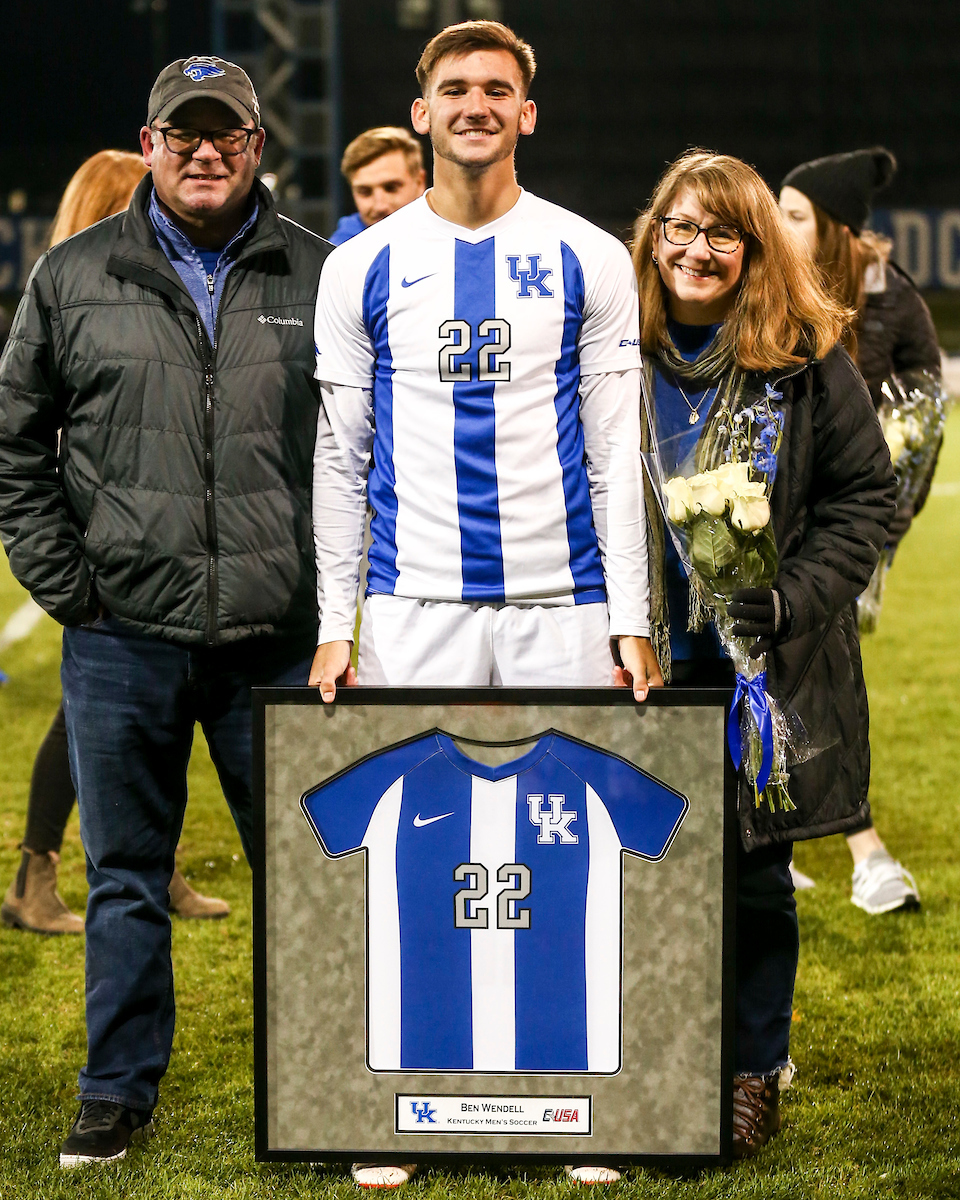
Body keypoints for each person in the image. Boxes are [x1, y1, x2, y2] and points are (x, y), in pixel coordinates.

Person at [311, 19, 660, 1188]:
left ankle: (571, 1100)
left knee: (569, 858)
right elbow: (341, 458)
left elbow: (618, 454)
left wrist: (633, 614)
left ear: (527, 114)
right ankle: (398, 1103)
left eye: (496, 89)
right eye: (453, 88)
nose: (475, 103)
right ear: (421, 114)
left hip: (563, 602)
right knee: (412, 862)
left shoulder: (587, 256)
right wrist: (334, 619)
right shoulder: (361, 263)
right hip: (415, 606)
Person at [0, 55, 331, 1167]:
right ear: (148, 144)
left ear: (256, 148)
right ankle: (115, 1093)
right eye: (181, 133)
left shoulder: (321, 273)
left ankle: (331, 1079)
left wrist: (327, 595)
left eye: (224, 134)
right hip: (122, 635)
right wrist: (70, 585)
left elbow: (363, 457)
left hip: (276, 635)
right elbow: (15, 444)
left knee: (311, 876)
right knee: (126, 879)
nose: (203, 151)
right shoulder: (73, 274)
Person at [631, 150, 895, 1158]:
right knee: (643, 870)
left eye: (722, 233)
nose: (698, 250)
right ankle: (652, 1057)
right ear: (656, 237)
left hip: (760, 670)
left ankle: (750, 1069)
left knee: (751, 878)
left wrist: (791, 602)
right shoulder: (612, 352)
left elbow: (865, 498)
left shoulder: (804, 359)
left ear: (753, 251)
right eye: (681, 229)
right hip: (640, 665)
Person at [0, 150, 229, 936]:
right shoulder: (79, 292)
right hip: (107, 545)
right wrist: (70, 577)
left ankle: (156, 870)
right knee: (87, 717)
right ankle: (36, 880)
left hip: (136, 541)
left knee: (150, 723)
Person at [779, 147, 939, 913]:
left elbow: (921, 424)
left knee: (822, 673)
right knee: (797, 673)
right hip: (770, 527)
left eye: (796, 214)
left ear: (834, 230)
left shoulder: (893, 300)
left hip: (846, 531)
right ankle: (848, 851)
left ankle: (854, 852)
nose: (777, 225)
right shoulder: (767, 289)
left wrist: (882, 535)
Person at [328, 126, 426, 245]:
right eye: (365, 192)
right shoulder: (338, 254)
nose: (380, 206)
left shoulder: (452, 232)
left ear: (419, 182)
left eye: (391, 188)